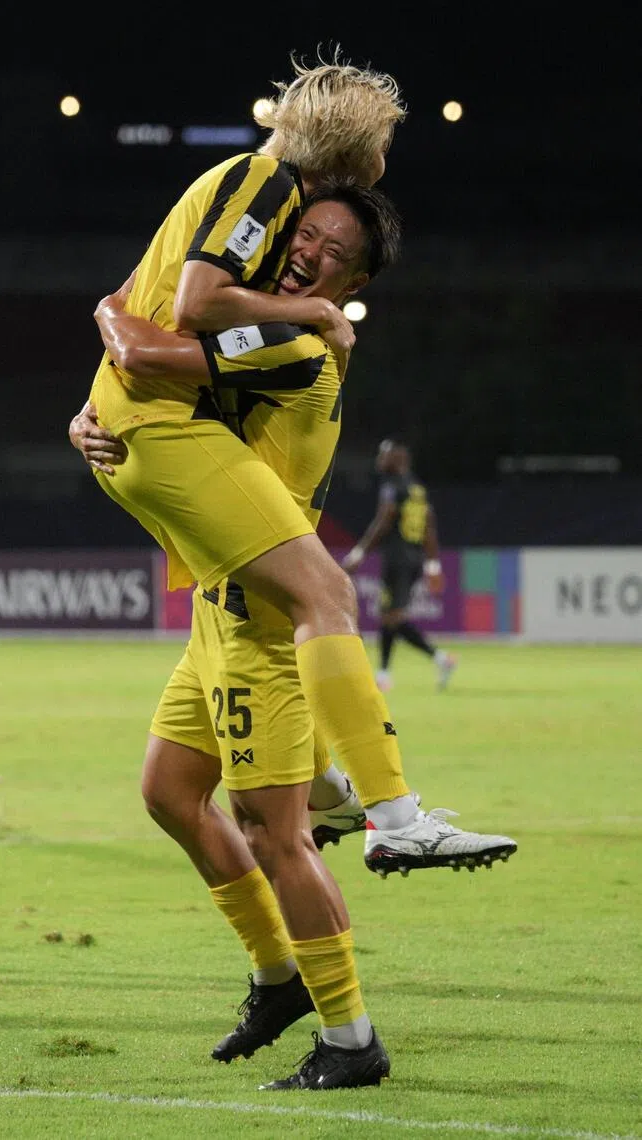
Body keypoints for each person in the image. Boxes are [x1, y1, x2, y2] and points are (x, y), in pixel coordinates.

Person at [74, 183, 515, 1089]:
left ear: (351, 282)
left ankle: (351, 1039)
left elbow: (151, 353)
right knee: (168, 791)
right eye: (302, 232)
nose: (306, 250)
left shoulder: (292, 338)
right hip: (219, 612)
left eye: (331, 250)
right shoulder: (282, 331)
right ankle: (281, 969)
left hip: (261, 627)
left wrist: (112, 311)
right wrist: (94, 422)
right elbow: (165, 405)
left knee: (275, 836)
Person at [83, 49, 509, 895]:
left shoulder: (233, 188)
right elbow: (196, 307)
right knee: (324, 600)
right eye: (380, 143)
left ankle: (320, 849)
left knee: (185, 787)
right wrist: (310, 308)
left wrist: (104, 369)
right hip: (158, 428)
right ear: (349, 147)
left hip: (144, 424)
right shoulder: (269, 187)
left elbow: (126, 302)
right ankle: (391, 826)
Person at [341, 439, 457, 692]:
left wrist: (359, 552)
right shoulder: (417, 488)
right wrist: (433, 564)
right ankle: (388, 673)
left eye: (384, 455)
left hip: (398, 559)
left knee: (392, 617)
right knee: (389, 617)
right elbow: (429, 527)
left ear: (399, 458)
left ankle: (429, 662)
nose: (379, 460)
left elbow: (383, 521)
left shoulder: (393, 487)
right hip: (413, 560)